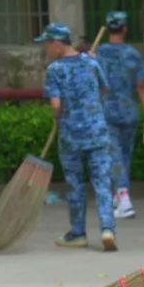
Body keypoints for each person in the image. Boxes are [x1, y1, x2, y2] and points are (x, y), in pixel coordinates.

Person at [38, 22, 117, 251]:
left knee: (75, 184)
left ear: (55, 44)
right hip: (97, 131)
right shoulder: (91, 61)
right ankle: (107, 229)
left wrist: (57, 116)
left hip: (71, 134)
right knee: (102, 181)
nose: (46, 49)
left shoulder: (55, 69)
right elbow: (104, 89)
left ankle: (78, 232)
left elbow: (55, 104)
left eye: (47, 44)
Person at [94, 10, 144, 220]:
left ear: (108, 29)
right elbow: (142, 86)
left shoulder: (98, 54)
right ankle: (117, 198)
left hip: (106, 113)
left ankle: (124, 199)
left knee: (114, 156)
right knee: (123, 156)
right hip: (129, 112)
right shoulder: (133, 54)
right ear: (125, 29)